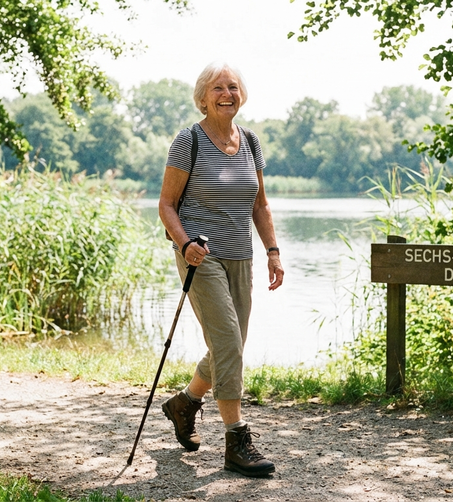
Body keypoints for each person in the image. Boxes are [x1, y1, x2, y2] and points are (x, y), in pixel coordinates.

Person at [157, 62, 284, 478]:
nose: (226, 93)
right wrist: (185, 242)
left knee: (231, 345)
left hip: (241, 256)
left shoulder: (250, 141)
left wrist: (273, 250)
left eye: (233, 86)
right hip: (201, 256)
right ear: (203, 97)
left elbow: (259, 204)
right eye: (217, 87)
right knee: (228, 341)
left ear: (241, 94)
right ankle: (237, 440)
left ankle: (184, 403)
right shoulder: (188, 141)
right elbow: (167, 205)